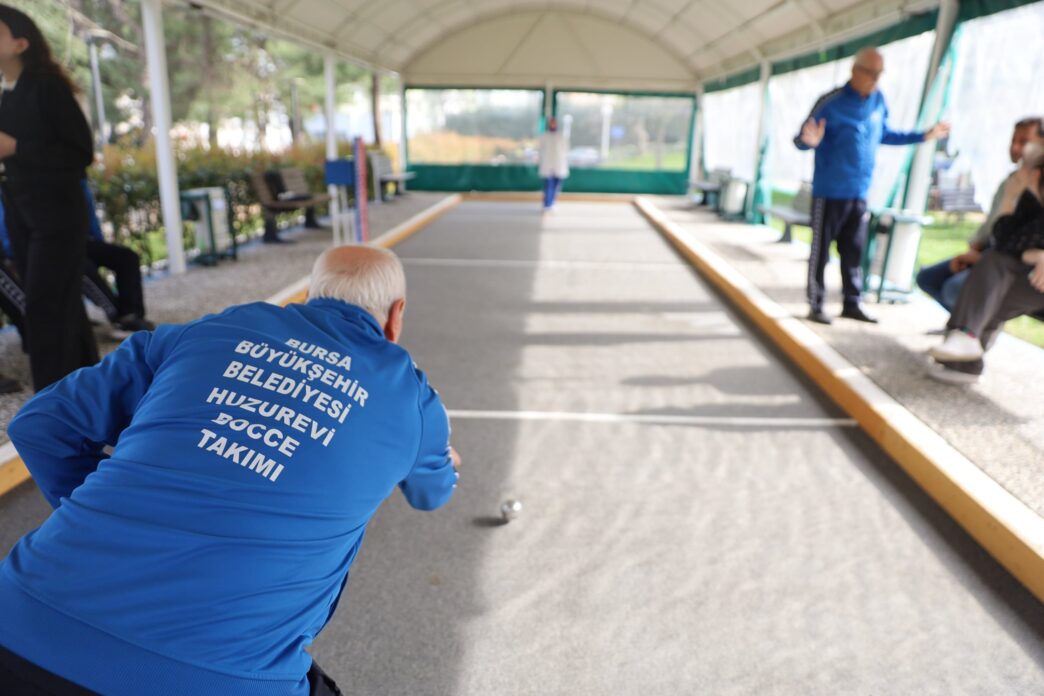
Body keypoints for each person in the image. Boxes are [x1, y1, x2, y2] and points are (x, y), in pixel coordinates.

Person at [0, 244, 460, 695]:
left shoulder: (211, 329)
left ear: (308, 296)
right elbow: (430, 493)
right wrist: (446, 461)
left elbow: (39, 424)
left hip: (17, 621)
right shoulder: (412, 398)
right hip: (216, 676)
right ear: (396, 316)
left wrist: (98, 512)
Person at [795, 46, 950, 325]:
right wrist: (808, 142)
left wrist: (922, 136)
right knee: (821, 253)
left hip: (859, 192)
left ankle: (852, 303)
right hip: (829, 192)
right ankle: (816, 303)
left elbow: (885, 134)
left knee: (854, 252)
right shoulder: (831, 102)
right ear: (855, 71)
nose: (875, 79)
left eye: (880, 73)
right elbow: (802, 137)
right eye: (871, 73)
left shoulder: (878, 101)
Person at [0, 5, 98, 391]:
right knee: (62, 306)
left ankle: (54, 402)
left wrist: (16, 148)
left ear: (21, 43)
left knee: (43, 306)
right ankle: (90, 389)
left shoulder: (46, 86)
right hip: (23, 212)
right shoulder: (8, 94)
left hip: (55, 213)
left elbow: (80, 152)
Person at [928, 149, 1044, 384]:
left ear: (1035, 174)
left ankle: (965, 346)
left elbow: (1011, 246)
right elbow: (1004, 241)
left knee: (988, 279)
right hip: (1029, 277)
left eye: (1023, 168)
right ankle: (965, 352)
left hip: (1031, 281)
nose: (1017, 173)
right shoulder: (1031, 202)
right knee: (993, 281)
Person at [916, 117, 1044, 312]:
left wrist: (981, 258)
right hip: (993, 252)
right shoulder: (1011, 180)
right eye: (1013, 141)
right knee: (928, 279)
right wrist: (975, 248)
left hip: (1010, 262)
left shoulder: (1035, 191)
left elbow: (1015, 241)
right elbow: (995, 225)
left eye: (1024, 141)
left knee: (953, 290)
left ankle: (969, 330)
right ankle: (966, 328)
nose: (1015, 148)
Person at [538, 116, 569, 213]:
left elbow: (565, 149)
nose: (552, 124)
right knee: (548, 185)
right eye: (551, 123)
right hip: (548, 164)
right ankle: (547, 204)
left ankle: (552, 203)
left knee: (556, 186)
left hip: (559, 164)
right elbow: (541, 149)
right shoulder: (544, 136)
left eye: (554, 122)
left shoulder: (561, 136)